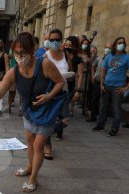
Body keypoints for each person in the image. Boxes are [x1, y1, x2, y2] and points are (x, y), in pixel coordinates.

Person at [0, 32, 64, 192]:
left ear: (32, 50)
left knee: (38, 145)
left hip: (47, 110)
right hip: (29, 110)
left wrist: (49, 96)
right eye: (16, 53)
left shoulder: (45, 64)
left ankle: (33, 178)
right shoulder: (14, 71)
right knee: (29, 140)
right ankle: (30, 167)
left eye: (23, 52)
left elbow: (60, 82)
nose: (19, 56)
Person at [93, 36, 129, 136]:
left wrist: (127, 87)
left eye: (122, 43)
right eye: (118, 42)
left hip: (118, 87)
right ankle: (100, 125)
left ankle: (114, 129)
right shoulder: (109, 57)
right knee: (102, 107)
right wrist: (101, 84)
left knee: (116, 108)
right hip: (106, 85)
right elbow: (103, 72)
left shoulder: (127, 58)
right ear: (115, 45)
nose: (121, 44)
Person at [43, 29, 70, 160]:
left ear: (61, 40)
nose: (54, 42)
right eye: (51, 40)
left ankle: (43, 136)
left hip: (64, 91)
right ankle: (47, 146)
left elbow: (70, 70)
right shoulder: (45, 56)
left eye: (56, 40)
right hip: (50, 91)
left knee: (65, 121)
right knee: (49, 120)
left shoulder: (66, 54)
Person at [88, 42, 112, 122]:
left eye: (109, 48)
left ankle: (102, 118)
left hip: (106, 83)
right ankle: (93, 117)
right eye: (106, 47)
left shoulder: (113, 59)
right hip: (97, 81)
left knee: (103, 102)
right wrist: (92, 75)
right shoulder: (100, 58)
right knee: (94, 99)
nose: (107, 49)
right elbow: (93, 66)